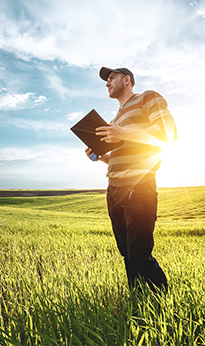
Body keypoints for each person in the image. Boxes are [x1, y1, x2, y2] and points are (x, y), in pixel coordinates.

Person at [85, 67, 177, 293]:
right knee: (127, 253)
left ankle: (165, 301)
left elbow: (168, 133)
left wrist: (123, 133)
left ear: (127, 80)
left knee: (139, 255)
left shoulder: (148, 98)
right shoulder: (115, 119)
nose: (107, 83)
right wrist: (100, 156)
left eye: (111, 78)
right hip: (113, 190)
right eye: (106, 80)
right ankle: (137, 301)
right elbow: (119, 157)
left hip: (139, 187)